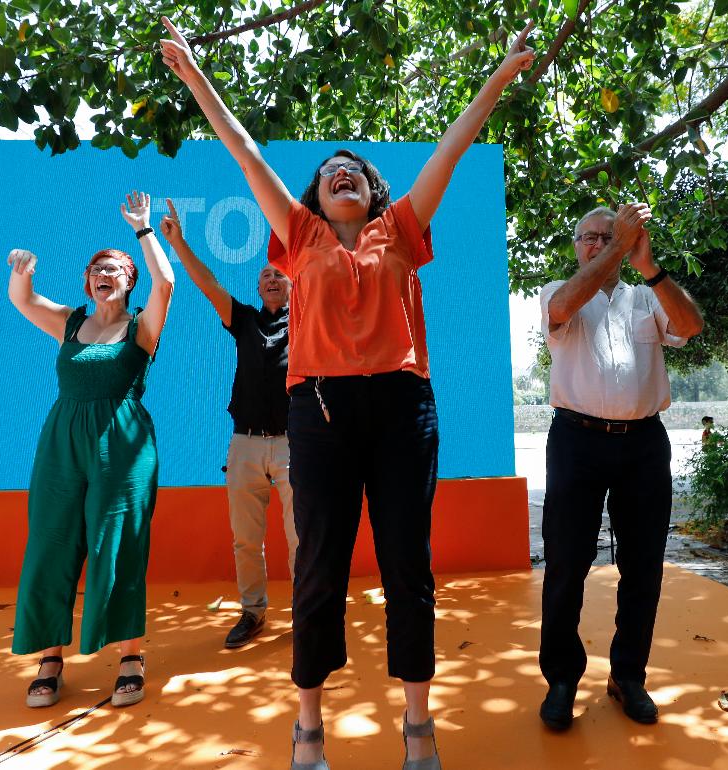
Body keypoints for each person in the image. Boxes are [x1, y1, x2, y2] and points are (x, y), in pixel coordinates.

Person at [162, 15, 542, 769]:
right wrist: (197, 77)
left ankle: (418, 723)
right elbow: (242, 150)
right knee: (318, 565)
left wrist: (499, 78)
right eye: (332, 168)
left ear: (373, 192)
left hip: (404, 412)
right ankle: (308, 726)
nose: (343, 172)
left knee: (407, 562)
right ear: (316, 192)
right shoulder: (298, 236)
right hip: (321, 414)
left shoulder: (399, 229)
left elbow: (453, 147)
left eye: (356, 170)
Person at [537, 204, 704, 731]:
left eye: (609, 237)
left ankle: (628, 675)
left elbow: (691, 325)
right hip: (575, 442)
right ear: (575, 246)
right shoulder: (556, 293)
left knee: (644, 565)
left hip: (643, 445)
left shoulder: (645, 297)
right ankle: (561, 678)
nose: (598, 244)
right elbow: (565, 305)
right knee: (566, 563)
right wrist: (616, 249)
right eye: (589, 237)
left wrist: (649, 266)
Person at [6, 191, 174, 709]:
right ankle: (50, 659)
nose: (101, 274)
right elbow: (24, 301)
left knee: (119, 547)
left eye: (112, 268)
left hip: (122, 443)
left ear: (128, 279)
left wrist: (144, 231)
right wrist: (22, 271)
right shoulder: (72, 321)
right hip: (62, 441)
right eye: (94, 269)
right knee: (50, 545)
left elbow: (167, 281)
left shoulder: (143, 326)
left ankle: (129, 658)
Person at [157, 199, 297, 649]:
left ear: (294, 284)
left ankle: (309, 615)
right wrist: (178, 243)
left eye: (279, 273)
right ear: (258, 288)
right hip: (245, 446)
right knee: (245, 541)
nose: (272, 278)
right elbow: (209, 284)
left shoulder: (311, 321)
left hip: (297, 446)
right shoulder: (245, 321)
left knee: (304, 540)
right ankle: (253, 613)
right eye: (265, 275)